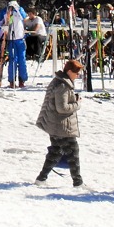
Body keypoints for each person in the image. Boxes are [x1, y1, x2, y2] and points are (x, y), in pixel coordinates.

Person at [34, 59, 84, 188]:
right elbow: (62, 108)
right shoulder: (62, 85)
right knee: (73, 152)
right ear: (69, 71)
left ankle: (41, 178)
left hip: (55, 125)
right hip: (61, 126)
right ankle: (78, 183)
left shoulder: (61, 82)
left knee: (56, 152)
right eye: (76, 73)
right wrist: (77, 104)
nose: (78, 75)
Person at [0, 1, 28, 88]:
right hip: (11, 40)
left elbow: (24, 16)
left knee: (22, 60)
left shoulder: (19, 11)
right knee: (13, 60)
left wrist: (17, 8)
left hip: (20, 39)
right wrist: (3, 27)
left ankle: (22, 80)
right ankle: (12, 81)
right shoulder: (5, 12)